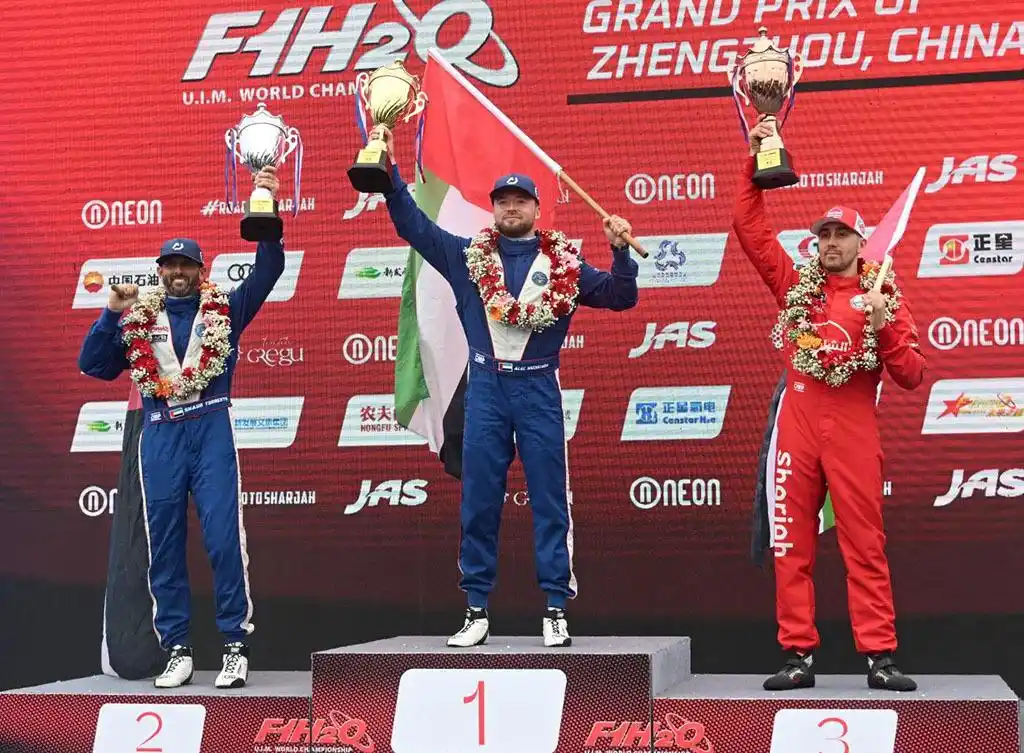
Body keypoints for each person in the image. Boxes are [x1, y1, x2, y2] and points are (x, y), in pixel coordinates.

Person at [375, 124, 639, 648]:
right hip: (487, 392)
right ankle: (475, 608)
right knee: (479, 501)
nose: (511, 207)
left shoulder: (563, 263)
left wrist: (621, 254)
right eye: (503, 201)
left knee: (549, 501)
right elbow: (412, 225)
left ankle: (556, 607)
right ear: (492, 209)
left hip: (539, 390)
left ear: (537, 209)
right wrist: (390, 174)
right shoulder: (464, 256)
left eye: (520, 200)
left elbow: (620, 297)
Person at [733, 119, 924, 692]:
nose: (833, 243)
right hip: (796, 429)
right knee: (791, 545)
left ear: (863, 244)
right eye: (825, 235)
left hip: (853, 431)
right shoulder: (796, 287)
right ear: (816, 243)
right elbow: (749, 227)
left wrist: (882, 324)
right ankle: (798, 654)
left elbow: (912, 376)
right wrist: (753, 163)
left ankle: (880, 656)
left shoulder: (883, 295)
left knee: (864, 544)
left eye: (843, 234)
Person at [78, 166, 285, 689]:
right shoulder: (138, 320)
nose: (177, 272)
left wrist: (267, 209)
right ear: (160, 271)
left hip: (210, 430)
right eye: (169, 265)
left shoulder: (225, 311)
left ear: (199, 270)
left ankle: (234, 645)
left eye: (186, 265)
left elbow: (269, 270)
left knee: (223, 540)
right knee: (164, 546)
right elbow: (93, 365)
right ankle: (177, 648)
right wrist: (110, 313)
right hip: (161, 435)